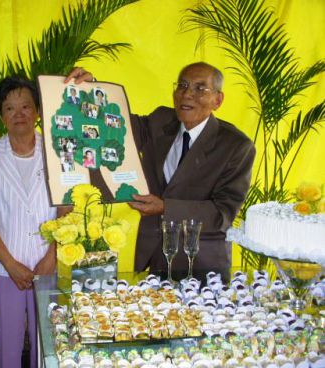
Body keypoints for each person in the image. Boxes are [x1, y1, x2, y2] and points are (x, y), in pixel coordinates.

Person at [66, 62, 255, 277]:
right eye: (182, 85)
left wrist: (166, 208)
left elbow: (222, 214)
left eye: (200, 88)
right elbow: (118, 126)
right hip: (156, 256)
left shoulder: (236, 146)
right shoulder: (161, 120)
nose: (187, 94)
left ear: (218, 100)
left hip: (201, 263)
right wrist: (91, 90)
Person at [0, 77, 58, 368]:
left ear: (37, 111)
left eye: (25, 106)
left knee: (46, 343)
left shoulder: (57, 154)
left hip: (46, 263)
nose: (18, 114)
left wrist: (53, 255)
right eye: (10, 108)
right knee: (7, 346)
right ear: (1, 114)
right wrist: (10, 264)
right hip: (2, 266)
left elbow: (68, 209)